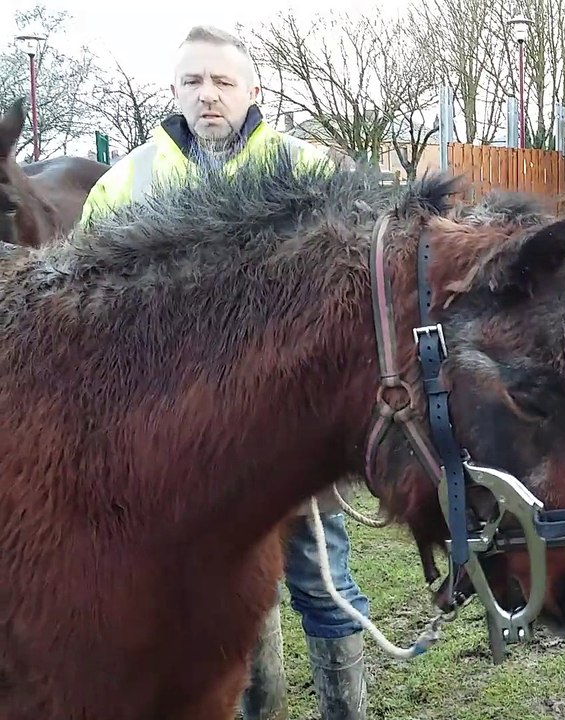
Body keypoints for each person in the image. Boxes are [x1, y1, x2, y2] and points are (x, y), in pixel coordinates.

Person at [78, 25, 372, 720]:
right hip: (181, 453)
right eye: (193, 81)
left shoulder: (310, 177)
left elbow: (359, 304)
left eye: (222, 81)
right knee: (226, 599)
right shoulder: (125, 186)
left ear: (253, 91)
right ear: (174, 90)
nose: (207, 95)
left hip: (295, 439)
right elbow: (85, 318)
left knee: (324, 581)